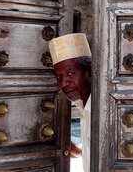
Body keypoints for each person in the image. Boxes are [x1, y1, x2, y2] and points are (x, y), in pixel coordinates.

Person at [49, 33, 91, 172]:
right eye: (59, 76)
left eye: (71, 73)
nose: (63, 83)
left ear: (89, 71)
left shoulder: (104, 110)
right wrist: (79, 152)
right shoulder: (83, 106)